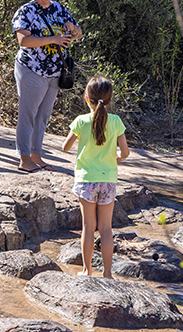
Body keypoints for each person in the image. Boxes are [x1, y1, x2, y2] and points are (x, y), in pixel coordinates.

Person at [11, 0, 83, 173]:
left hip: (55, 71)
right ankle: (24, 159)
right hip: (31, 69)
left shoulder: (59, 8)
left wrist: (73, 29)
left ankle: (36, 156)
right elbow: (24, 40)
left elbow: (78, 34)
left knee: (42, 117)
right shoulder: (25, 11)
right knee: (28, 115)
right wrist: (53, 39)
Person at [62, 76, 129, 278]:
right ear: (110, 99)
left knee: (88, 227)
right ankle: (107, 273)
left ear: (86, 98)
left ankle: (87, 270)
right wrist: (117, 157)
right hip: (108, 180)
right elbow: (125, 153)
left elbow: (65, 147)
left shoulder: (81, 121)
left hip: (86, 180)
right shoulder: (116, 121)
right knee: (106, 228)